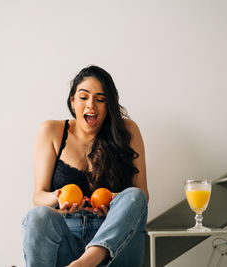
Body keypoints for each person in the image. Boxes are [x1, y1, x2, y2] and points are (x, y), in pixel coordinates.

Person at [22, 65, 149, 267]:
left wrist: (116, 203)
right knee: (37, 216)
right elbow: (39, 197)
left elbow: (142, 195)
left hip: (117, 245)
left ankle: (84, 264)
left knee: (135, 196)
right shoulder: (52, 131)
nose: (91, 105)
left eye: (100, 99)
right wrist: (59, 196)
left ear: (109, 105)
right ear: (72, 101)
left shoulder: (127, 130)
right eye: (83, 97)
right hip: (68, 239)